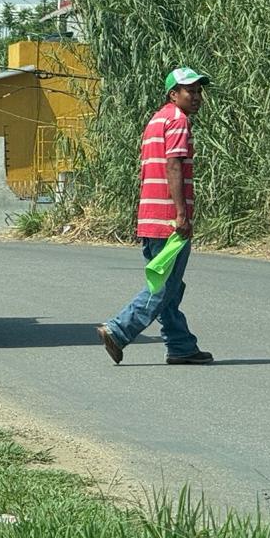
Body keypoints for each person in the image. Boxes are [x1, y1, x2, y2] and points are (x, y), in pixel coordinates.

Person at [97, 67, 213, 366]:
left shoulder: (157, 120)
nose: (197, 96)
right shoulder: (178, 120)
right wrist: (181, 215)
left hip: (151, 217)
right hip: (168, 221)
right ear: (173, 94)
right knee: (163, 287)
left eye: (199, 91)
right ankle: (119, 329)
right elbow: (173, 166)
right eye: (191, 91)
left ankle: (181, 345)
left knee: (171, 286)